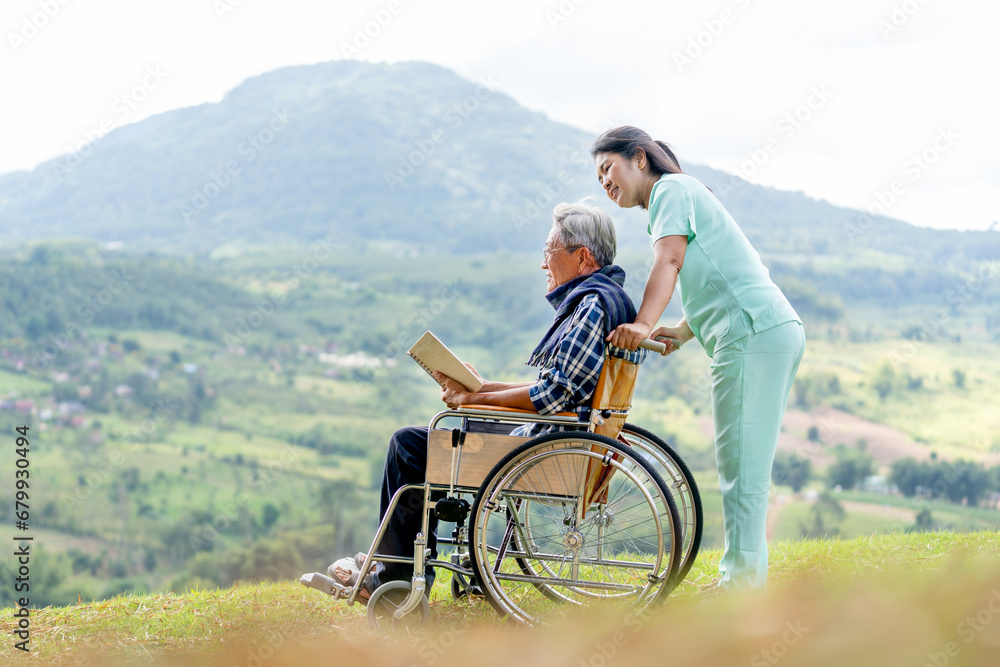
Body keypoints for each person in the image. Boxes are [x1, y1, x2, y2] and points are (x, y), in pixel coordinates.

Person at [328, 201, 644, 600]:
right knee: (436, 439)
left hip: (548, 447)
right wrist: (478, 388)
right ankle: (398, 565)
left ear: (582, 257)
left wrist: (475, 398)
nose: (543, 264)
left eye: (548, 252)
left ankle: (394, 579)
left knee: (409, 446)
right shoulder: (603, 299)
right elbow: (558, 387)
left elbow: (550, 395)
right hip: (557, 436)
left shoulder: (591, 305)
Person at [592, 126, 806, 590]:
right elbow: (720, 266)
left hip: (752, 334)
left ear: (640, 158)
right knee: (740, 464)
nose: (605, 183)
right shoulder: (680, 193)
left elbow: (669, 261)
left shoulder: (670, 189)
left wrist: (644, 324)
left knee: (741, 468)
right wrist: (685, 329)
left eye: (608, 168)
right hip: (762, 330)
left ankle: (741, 588)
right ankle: (741, 580)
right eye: (599, 177)